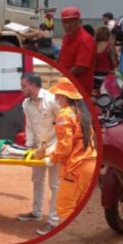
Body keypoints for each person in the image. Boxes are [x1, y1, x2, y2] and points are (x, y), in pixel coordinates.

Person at [44, 77, 97, 223]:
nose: (56, 98)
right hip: (89, 162)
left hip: (76, 166)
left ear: (62, 96)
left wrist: (52, 158)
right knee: (78, 204)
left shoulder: (64, 115)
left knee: (64, 207)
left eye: (58, 95)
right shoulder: (81, 112)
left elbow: (65, 146)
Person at [17, 72, 61, 236]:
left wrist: (61, 146)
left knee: (55, 184)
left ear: (33, 86)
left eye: (23, 86)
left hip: (54, 145)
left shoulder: (52, 100)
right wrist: (28, 146)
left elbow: (63, 122)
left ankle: (53, 221)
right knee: (37, 179)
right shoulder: (26, 104)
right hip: (38, 147)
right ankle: (36, 213)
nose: (21, 89)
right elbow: (29, 126)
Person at [57, 6, 96, 95]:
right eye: (65, 22)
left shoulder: (84, 39)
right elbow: (61, 57)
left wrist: (62, 76)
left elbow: (81, 67)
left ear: (79, 22)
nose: (68, 25)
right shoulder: (66, 37)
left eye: (72, 22)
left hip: (79, 89)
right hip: (66, 86)